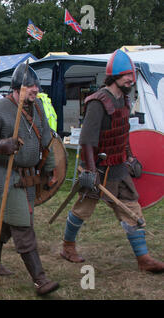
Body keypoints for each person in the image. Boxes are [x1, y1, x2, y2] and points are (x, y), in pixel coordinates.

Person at [59, 49, 164, 273]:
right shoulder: (98, 102)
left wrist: (131, 156)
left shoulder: (124, 100)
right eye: (127, 75)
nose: (131, 79)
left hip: (118, 167)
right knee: (82, 210)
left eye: (132, 75)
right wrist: (90, 170)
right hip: (98, 168)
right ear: (114, 76)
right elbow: (87, 140)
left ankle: (143, 258)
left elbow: (124, 134)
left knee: (132, 207)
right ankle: (67, 246)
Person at [0, 63, 59, 295]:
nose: (34, 89)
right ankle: (39, 279)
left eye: (35, 85)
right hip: (4, 173)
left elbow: (45, 140)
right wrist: (0, 146)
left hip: (29, 175)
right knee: (22, 224)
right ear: (15, 88)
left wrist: (50, 168)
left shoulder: (39, 106)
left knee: (4, 223)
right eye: (28, 86)